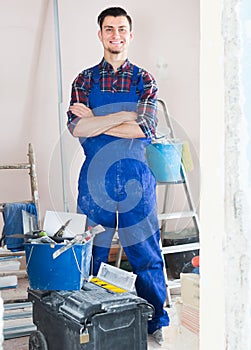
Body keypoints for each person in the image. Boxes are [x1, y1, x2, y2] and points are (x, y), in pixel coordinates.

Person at [67, 7, 169, 345]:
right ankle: (94, 323)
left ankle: (155, 322)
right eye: (109, 29)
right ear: (100, 34)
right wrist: (124, 114)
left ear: (130, 34)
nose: (115, 35)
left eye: (122, 29)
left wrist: (98, 118)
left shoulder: (144, 79)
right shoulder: (84, 80)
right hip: (95, 178)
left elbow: (146, 128)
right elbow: (77, 127)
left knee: (145, 254)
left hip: (136, 178)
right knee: (92, 253)